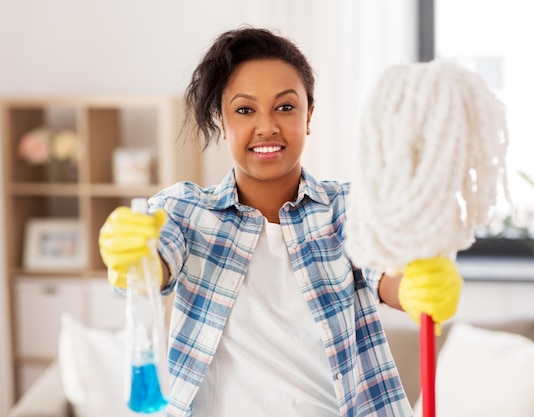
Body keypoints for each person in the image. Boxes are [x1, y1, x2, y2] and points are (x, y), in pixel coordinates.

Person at [99, 26, 462, 417]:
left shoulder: (346, 208)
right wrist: (131, 260)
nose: (267, 126)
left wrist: (415, 286)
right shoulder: (185, 211)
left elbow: (386, 272)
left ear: (309, 116)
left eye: (285, 107)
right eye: (244, 109)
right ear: (222, 121)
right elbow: (151, 266)